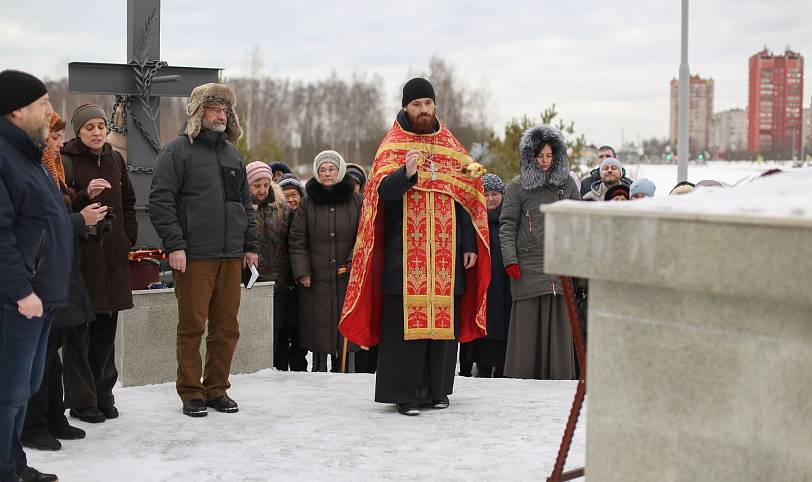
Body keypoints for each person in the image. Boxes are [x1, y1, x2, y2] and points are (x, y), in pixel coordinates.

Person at [339, 78, 491, 416]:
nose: (423, 110)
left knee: (442, 326)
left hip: (446, 256)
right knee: (404, 328)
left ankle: (437, 389)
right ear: (406, 107)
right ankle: (404, 393)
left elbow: (470, 197)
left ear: (435, 106)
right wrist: (406, 174)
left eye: (428, 103)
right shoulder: (392, 145)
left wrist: (468, 242)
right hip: (403, 255)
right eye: (416, 104)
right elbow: (381, 195)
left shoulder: (452, 146)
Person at [149, 83, 258, 417]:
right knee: (192, 326)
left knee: (227, 327)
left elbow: (244, 203)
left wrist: (250, 246)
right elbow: (160, 200)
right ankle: (191, 392)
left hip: (229, 256)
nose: (221, 115)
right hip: (193, 256)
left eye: (225, 110)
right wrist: (175, 245)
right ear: (198, 112)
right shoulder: (177, 151)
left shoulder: (232, 154)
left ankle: (216, 389)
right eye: (214, 109)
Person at [0, 69, 70, 482]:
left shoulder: (30, 155)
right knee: (7, 395)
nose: (49, 110)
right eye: (42, 103)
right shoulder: (4, 157)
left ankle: (12, 467)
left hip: (39, 298)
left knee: (21, 391)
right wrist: (21, 290)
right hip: (17, 300)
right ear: (15, 110)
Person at [21, 114, 100, 452]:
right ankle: (33, 425)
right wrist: (80, 221)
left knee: (52, 352)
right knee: (38, 357)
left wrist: (82, 205)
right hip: (36, 275)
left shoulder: (51, 172)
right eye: (52, 137)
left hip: (56, 272)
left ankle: (54, 416)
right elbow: (37, 226)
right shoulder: (29, 173)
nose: (58, 144)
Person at [60, 104, 137, 424]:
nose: (96, 131)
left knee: (107, 328)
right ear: (78, 131)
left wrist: (127, 237)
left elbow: (130, 201)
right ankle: (81, 400)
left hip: (112, 258)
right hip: (81, 258)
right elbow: (59, 209)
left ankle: (103, 392)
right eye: (89, 126)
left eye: (100, 125)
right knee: (79, 332)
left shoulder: (115, 159)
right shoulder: (65, 161)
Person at [500, 125, 579, 380]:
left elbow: (577, 221)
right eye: (540, 156)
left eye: (549, 156)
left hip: (560, 264)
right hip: (528, 266)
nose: (545, 161)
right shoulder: (518, 186)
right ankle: (522, 380)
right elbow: (508, 225)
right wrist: (510, 259)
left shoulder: (567, 184)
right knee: (527, 326)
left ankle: (558, 378)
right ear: (530, 156)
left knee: (559, 323)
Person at [289, 150, 362, 372]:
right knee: (318, 330)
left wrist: (352, 264)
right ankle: (319, 374)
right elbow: (297, 239)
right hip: (317, 278)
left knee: (346, 330)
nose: (327, 174)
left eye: (331, 169)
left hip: (347, 277)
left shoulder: (358, 201)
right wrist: (302, 272)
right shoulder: (307, 203)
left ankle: (346, 372)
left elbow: (364, 236)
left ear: (339, 171)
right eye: (322, 170)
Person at [245, 162, 306, 372]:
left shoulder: (283, 209)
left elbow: (295, 241)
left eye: (265, 184)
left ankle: (278, 373)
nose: (262, 190)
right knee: (257, 332)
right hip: (252, 282)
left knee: (279, 330)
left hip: (280, 281)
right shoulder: (241, 209)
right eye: (256, 186)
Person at [460, 174, 512, 378]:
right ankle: (481, 363)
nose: (490, 199)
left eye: (495, 194)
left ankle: (501, 366)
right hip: (481, 280)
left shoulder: (508, 219)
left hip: (504, 279)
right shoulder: (473, 220)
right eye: (486, 194)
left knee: (502, 320)